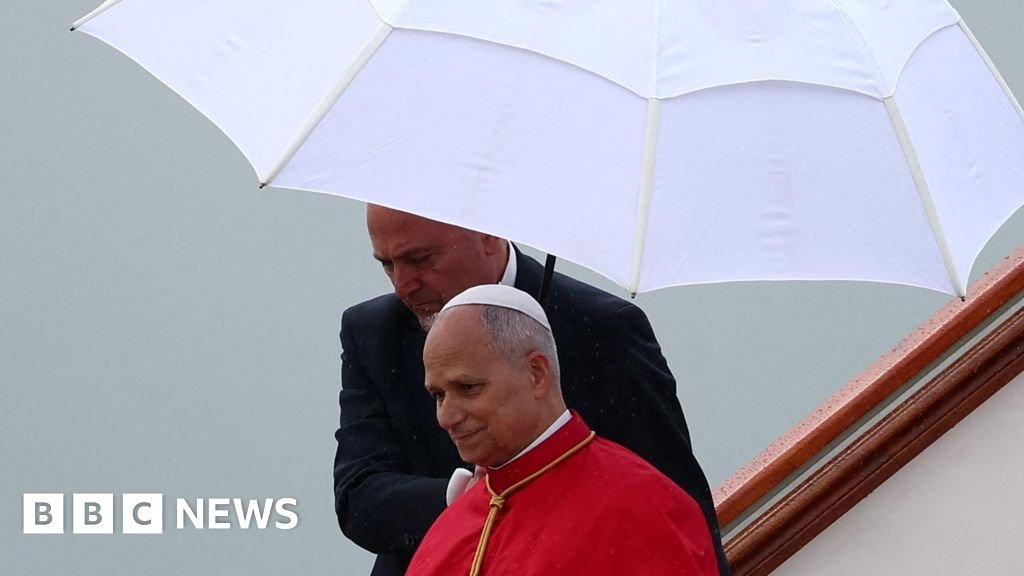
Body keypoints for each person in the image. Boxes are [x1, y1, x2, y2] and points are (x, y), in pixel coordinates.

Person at [333, 206, 728, 575]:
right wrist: (470, 497)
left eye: (420, 259)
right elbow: (359, 498)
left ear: (487, 233)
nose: (403, 286)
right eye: (387, 265)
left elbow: (673, 506)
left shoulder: (602, 329)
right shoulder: (373, 332)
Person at [407, 285, 718, 576]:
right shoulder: (450, 526)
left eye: (468, 388)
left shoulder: (642, 508)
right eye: (439, 395)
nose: (446, 417)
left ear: (537, 373)